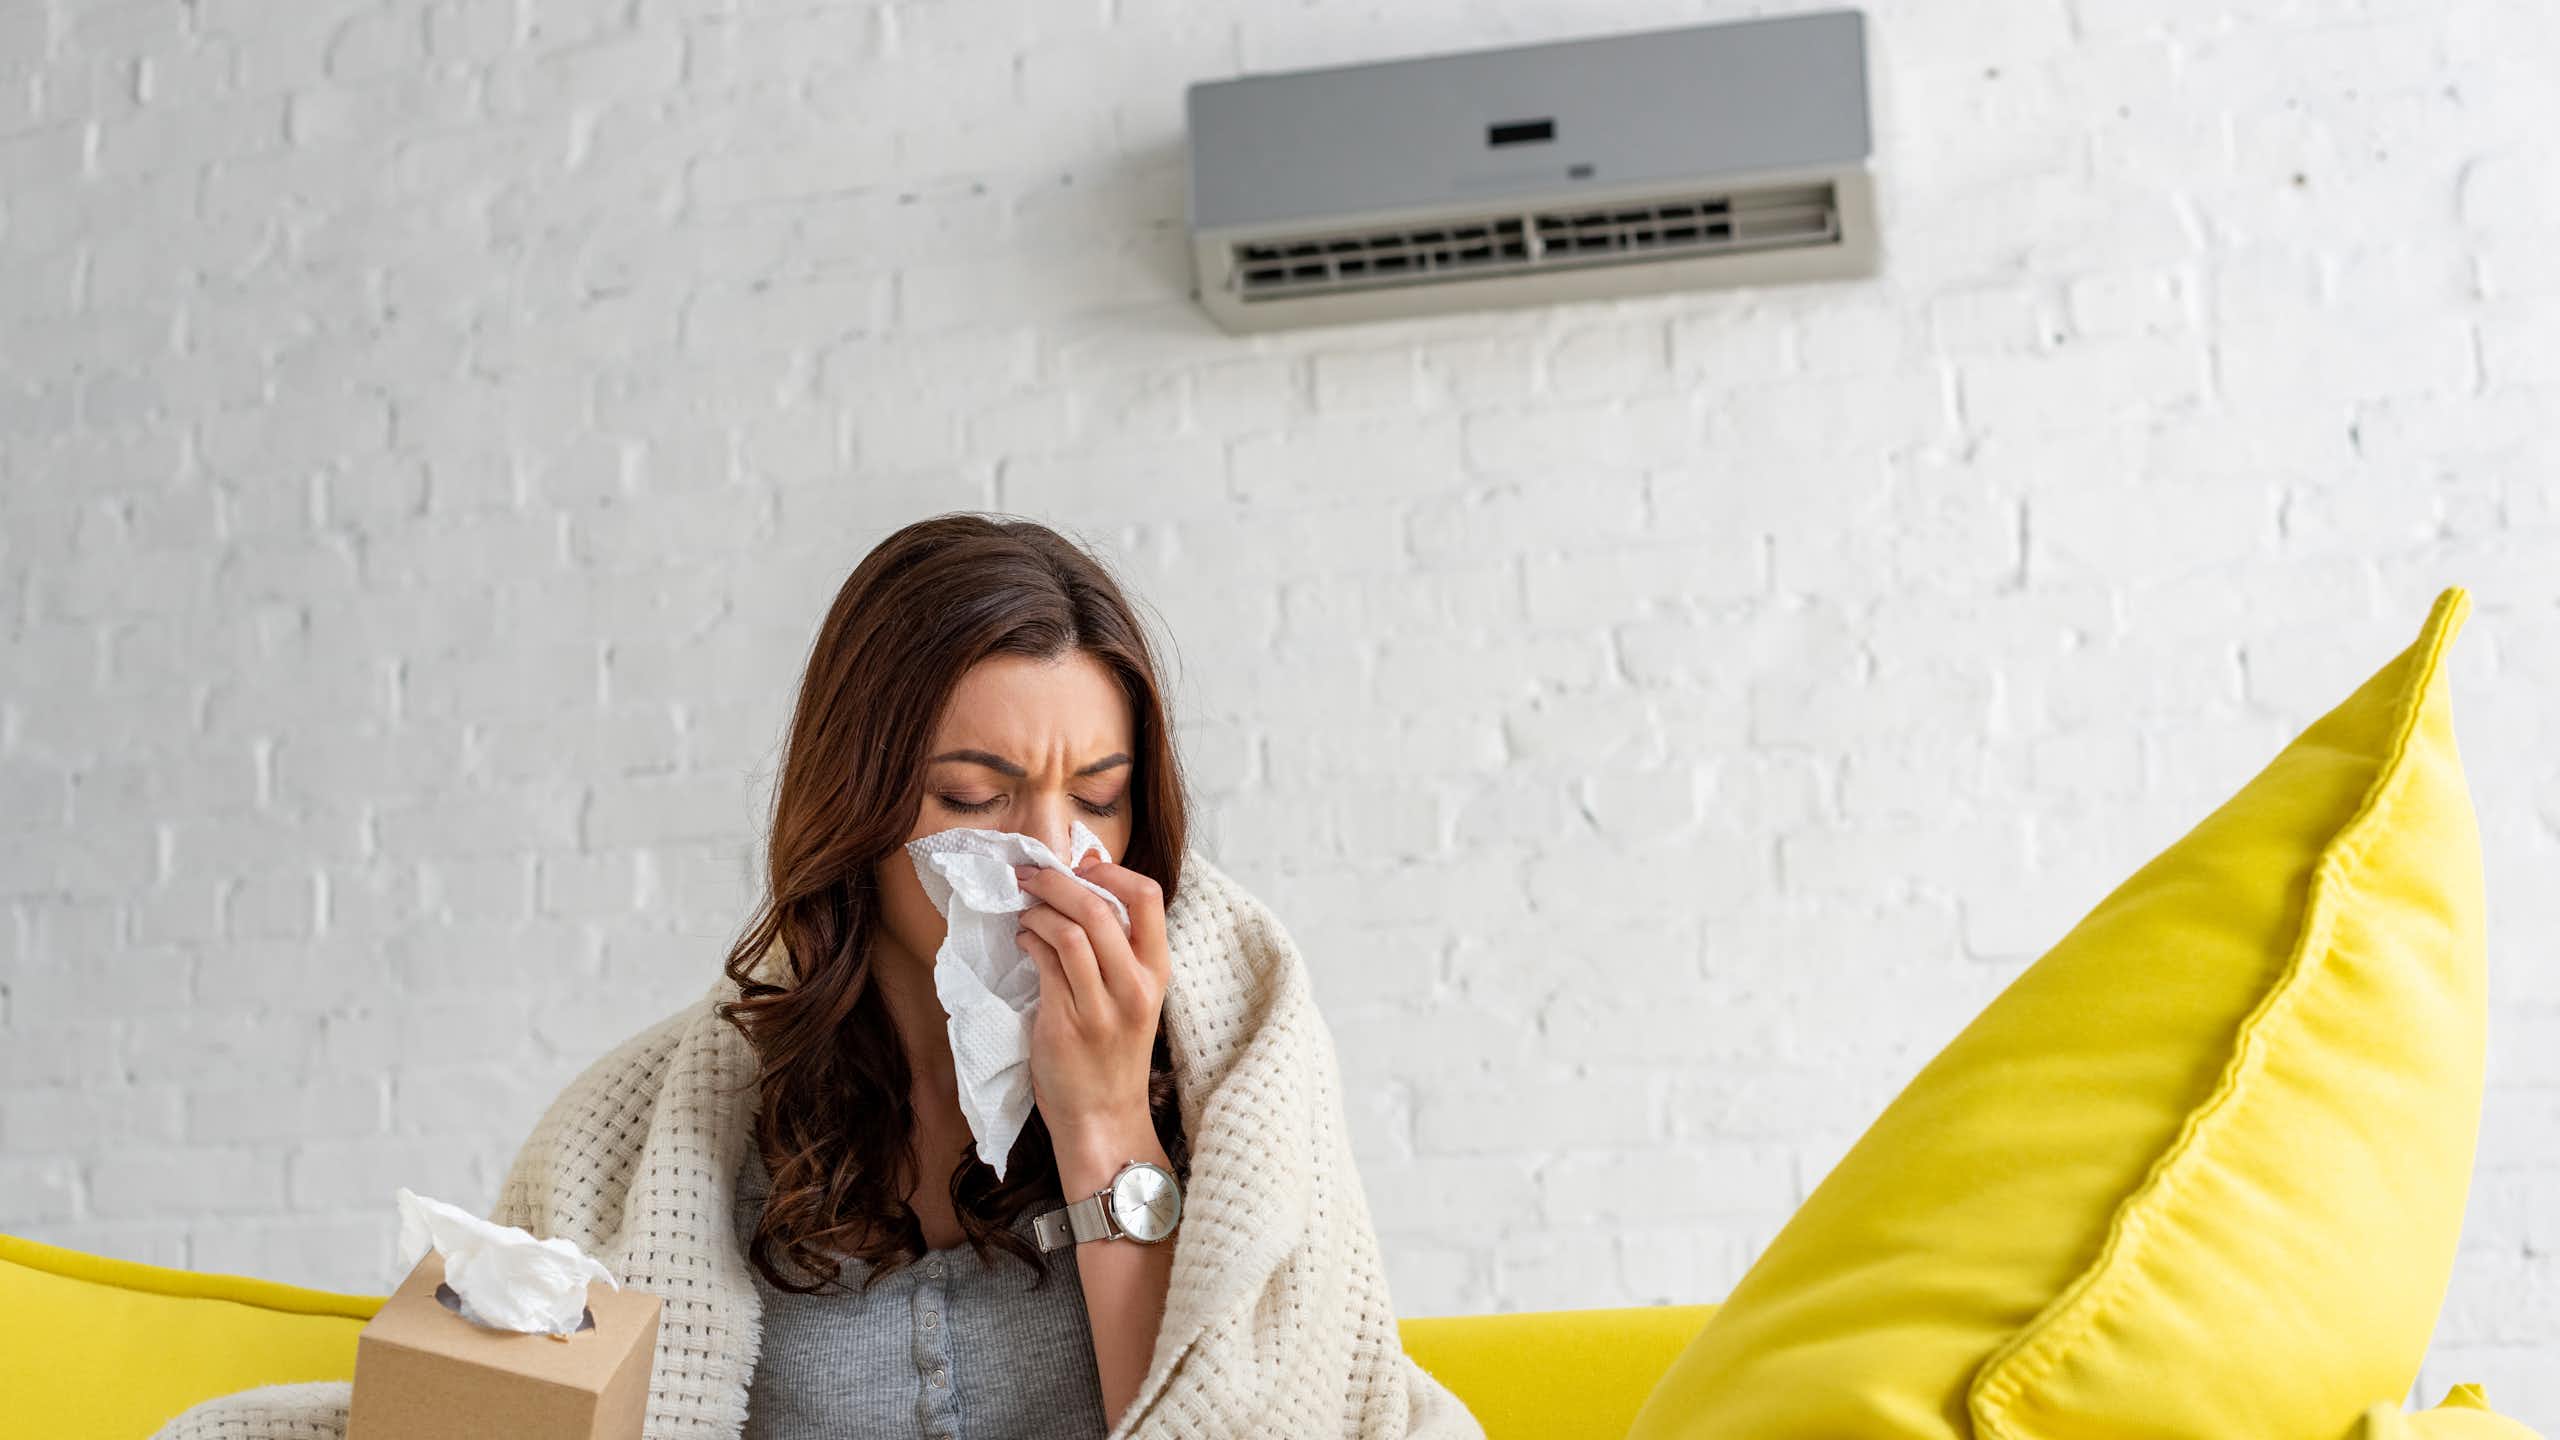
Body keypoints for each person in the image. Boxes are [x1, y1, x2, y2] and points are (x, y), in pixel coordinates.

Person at [154, 513, 1482, 1440]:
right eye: (978, 794)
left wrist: (1100, 1122)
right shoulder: (663, 1133)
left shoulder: (1229, 1065)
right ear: (860, 807)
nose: (1048, 852)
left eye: (1101, 797)